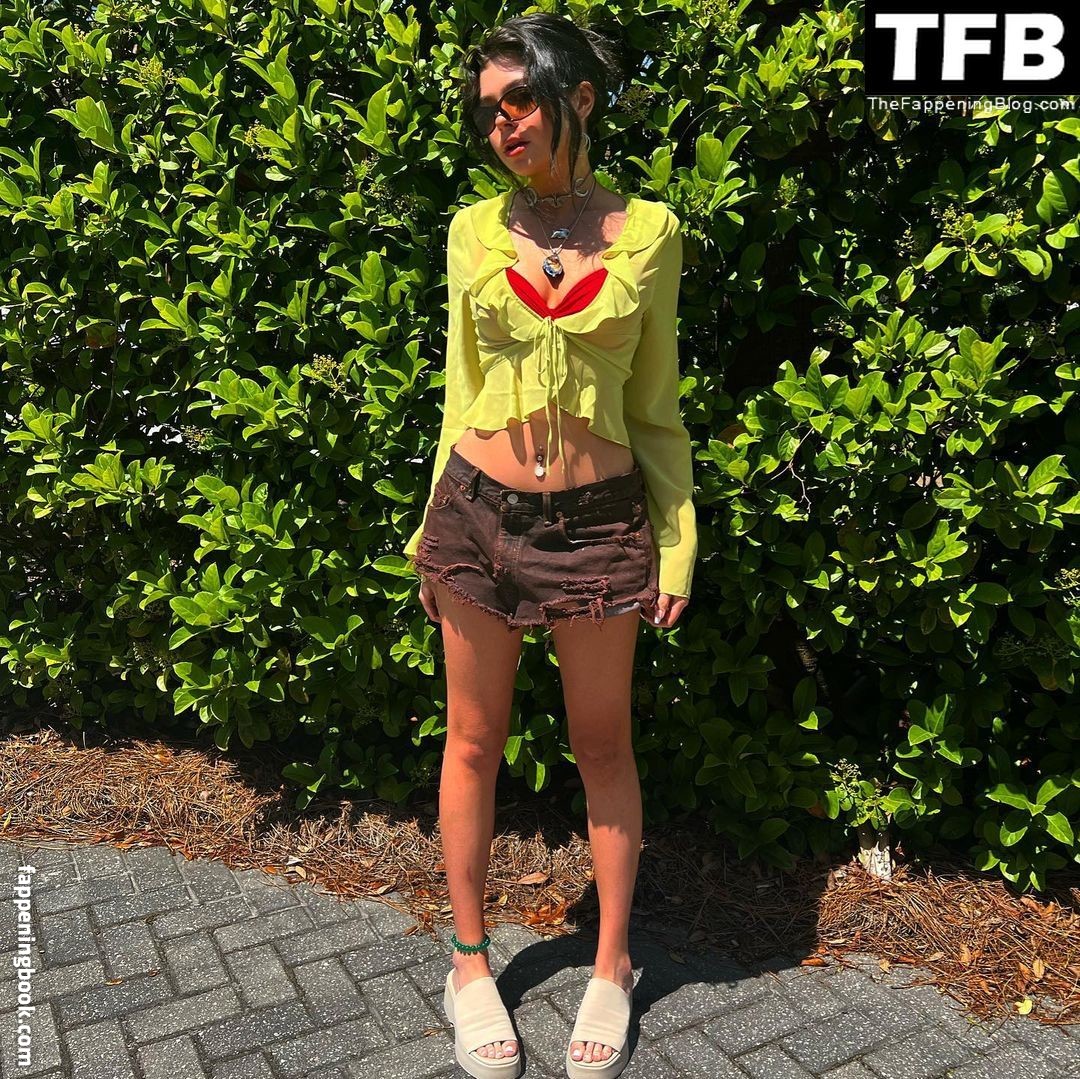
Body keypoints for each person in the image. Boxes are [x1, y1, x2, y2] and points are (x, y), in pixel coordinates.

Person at [402, 13, 698, 1079]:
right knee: (471, 741)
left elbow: (655, 407)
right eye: (488, 110)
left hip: (600, 526)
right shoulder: (473, 232)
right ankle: (468, 961)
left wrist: (676, 540)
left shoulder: (650, 232)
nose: (502, 123)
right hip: (476, 517)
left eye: (520, 98)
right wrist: (428, 527)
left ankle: (611, 964)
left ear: (578, 96)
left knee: (603, 745)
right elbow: (458, 390)